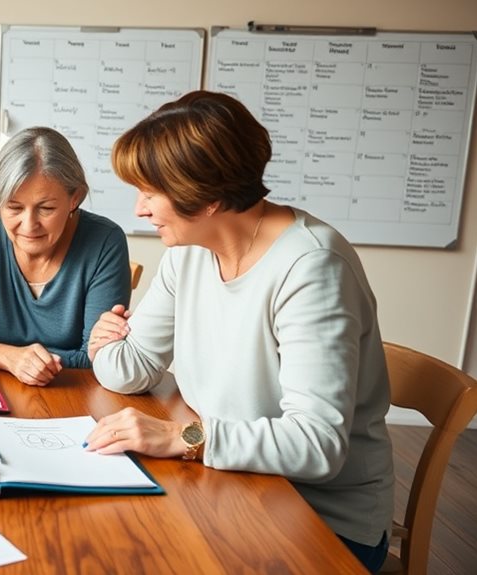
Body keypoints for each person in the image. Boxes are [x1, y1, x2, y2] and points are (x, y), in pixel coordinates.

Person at [84, 91, 393, 573]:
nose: (140, 209)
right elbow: (132, 367)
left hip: (318, 519)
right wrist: (103, 342)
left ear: (205, 196)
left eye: (150, 192)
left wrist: (181, 436)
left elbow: (316, 445)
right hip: (226, 482)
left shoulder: (312, 268)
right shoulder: (189, 251)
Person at [0, 127, 131, 386]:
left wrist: (2, 356)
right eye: (13, 207)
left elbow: (97, 356)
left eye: (46, 208)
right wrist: (10, 358)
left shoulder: (105, 241)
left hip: (73, 395)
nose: (28, 226)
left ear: (75, 198)